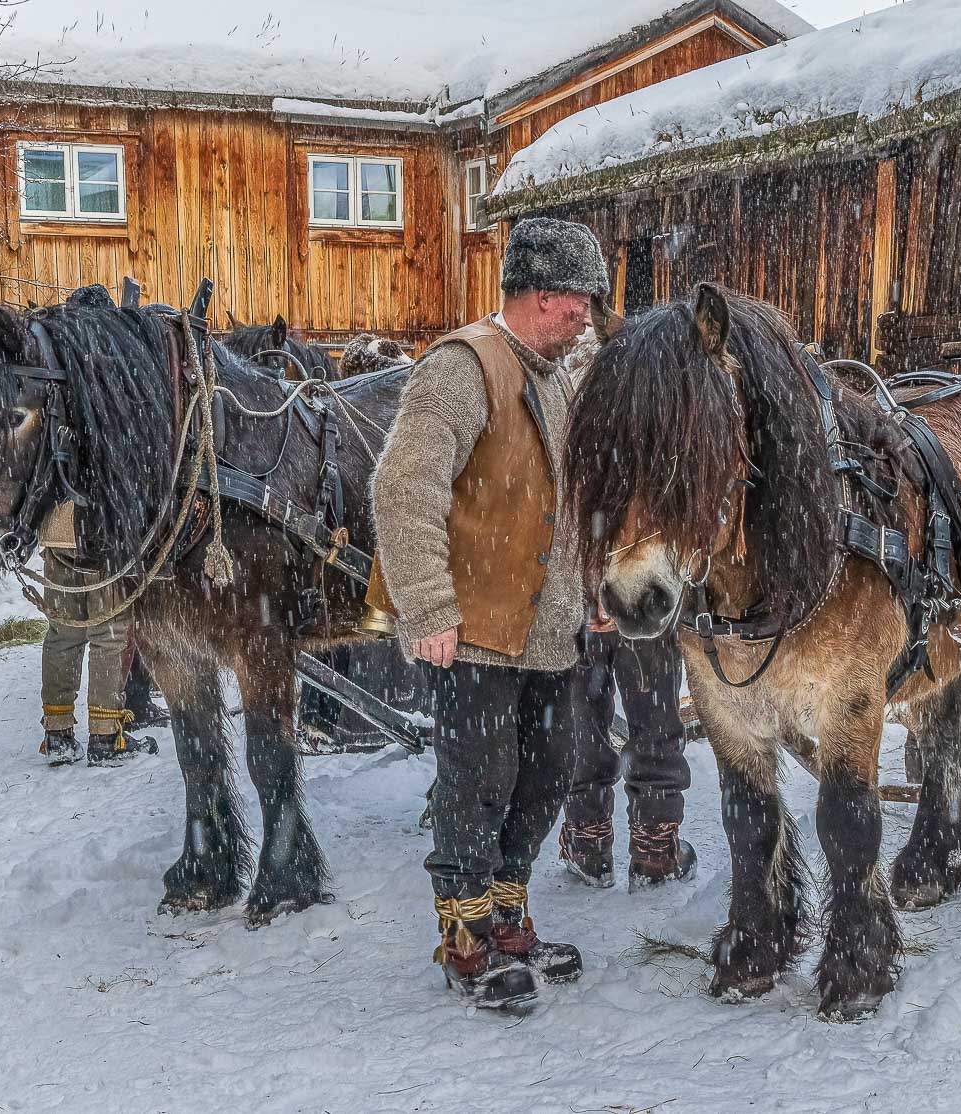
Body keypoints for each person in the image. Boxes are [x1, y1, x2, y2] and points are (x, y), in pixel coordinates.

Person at [370, 217, 603, 1011]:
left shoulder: (558, 375)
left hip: (548, 627)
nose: (587, 320)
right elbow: (404, 490)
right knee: (478, 781)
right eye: (579, 304)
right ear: (544, 297)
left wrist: (594, 590)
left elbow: (566, 502)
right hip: (471, 625)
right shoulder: (461, 367)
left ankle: (507, 913)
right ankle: (465, 937)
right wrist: (428, 605)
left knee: (549, 772)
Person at [560, 619, 696, 889]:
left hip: (576, 591)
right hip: (639, 595)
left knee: (580, 705)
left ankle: (588, 841)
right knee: (653, 704)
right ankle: (654, 849)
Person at [37, 543, 156, 766]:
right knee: (109, 635)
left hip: (56, 536)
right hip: (99, 535)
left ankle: (57, 734)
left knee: (63, 634)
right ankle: (106, 737)